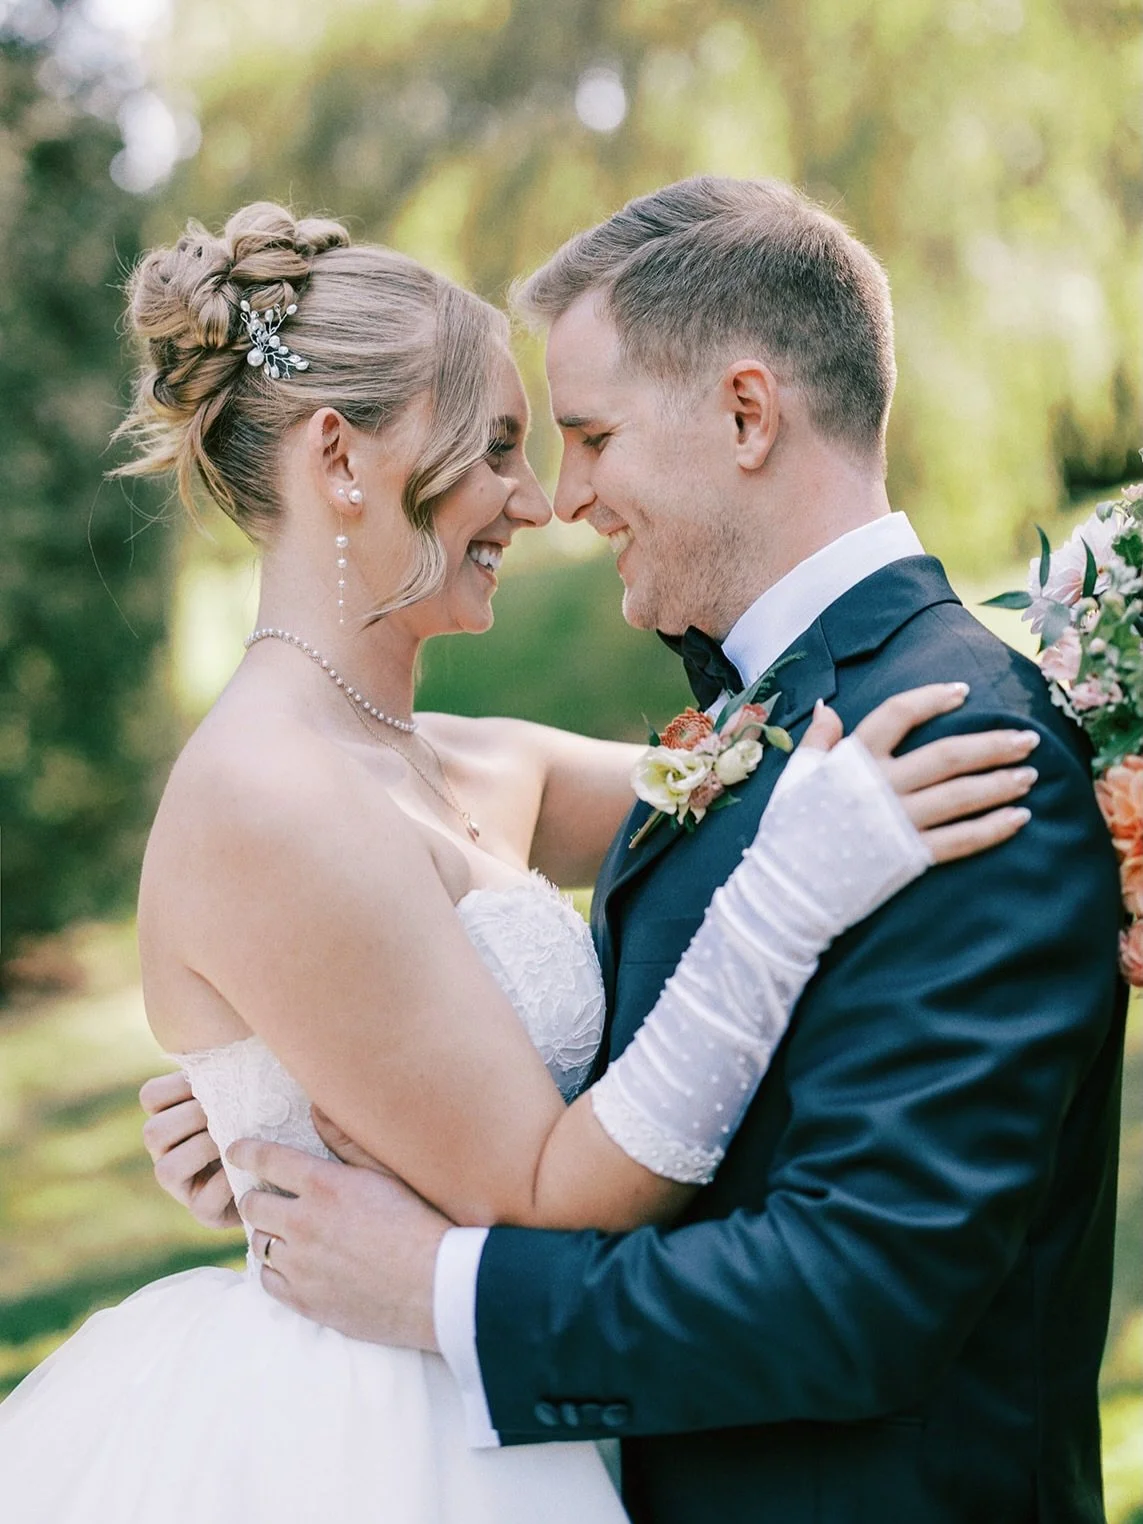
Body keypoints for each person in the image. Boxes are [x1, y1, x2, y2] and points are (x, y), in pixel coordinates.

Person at [0, 198, 1036, 1524]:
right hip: (371, 1444)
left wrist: (1071, 714)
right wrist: (781, 905)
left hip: (542, 1415)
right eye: (497, 449)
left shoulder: (460, 757)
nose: (541, 500)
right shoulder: (265, 798)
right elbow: (545, 1197)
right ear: (341, 458)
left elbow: (761, 783)